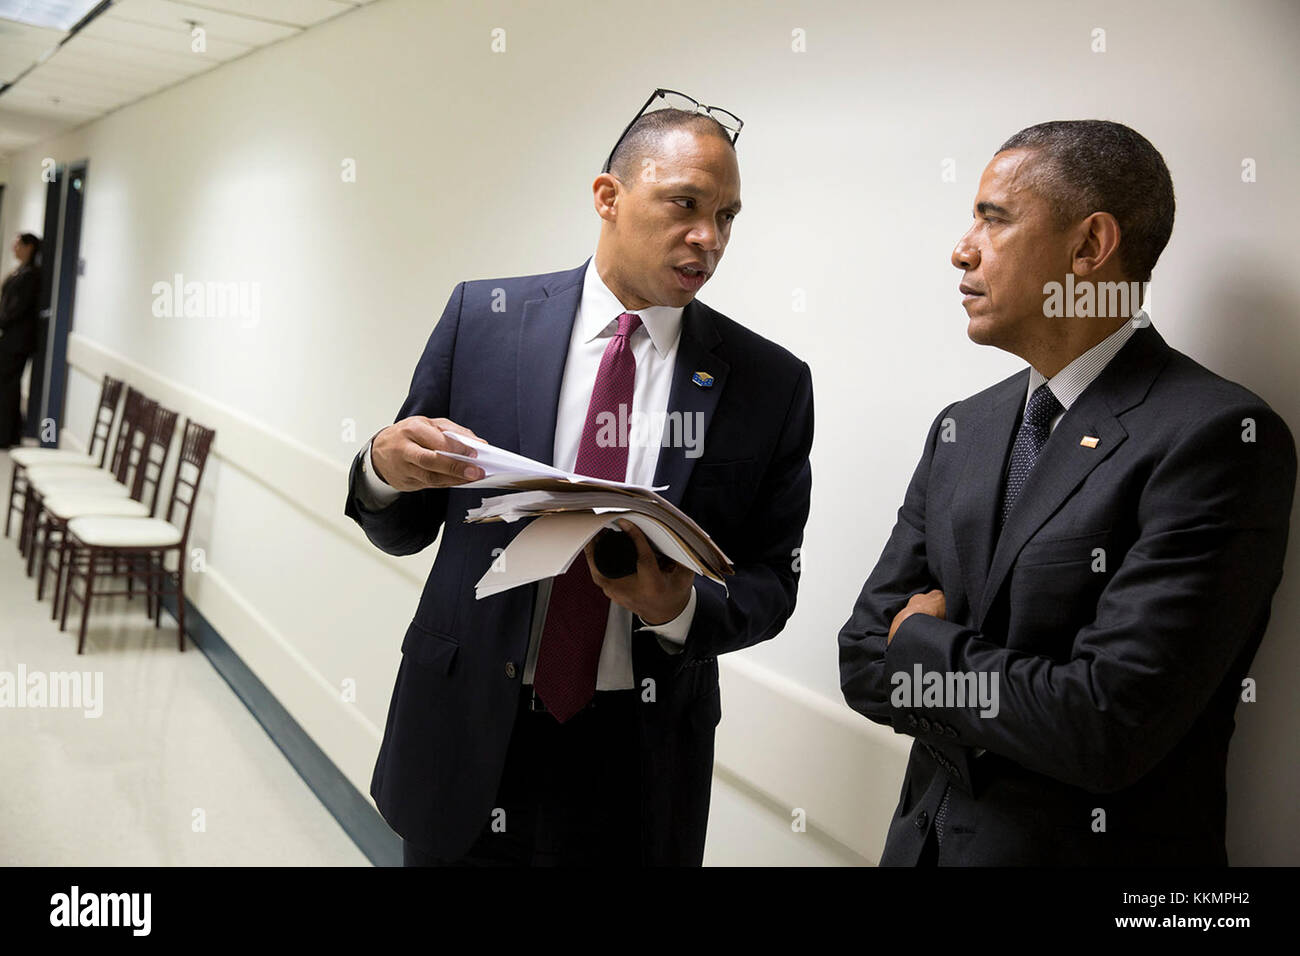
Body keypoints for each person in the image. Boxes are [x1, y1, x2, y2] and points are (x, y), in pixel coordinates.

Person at [344, 95, 814, 866]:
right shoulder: (484, 319)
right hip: (465, 731)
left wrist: (678, 609)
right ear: (608, 197)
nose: (709, 238)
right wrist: (384, 469)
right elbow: (404, 523)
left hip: (638, 755)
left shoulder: (769, 382)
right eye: (685, 204)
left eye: (728, 216)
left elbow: (771, 581)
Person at [839, 120, 1295, 865]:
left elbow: (1105, 725)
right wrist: (1002, 689)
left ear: (1088, 248)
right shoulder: (965, 426)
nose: (961, 248)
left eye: (993, 217)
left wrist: (919, 647)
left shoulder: (1218, 438)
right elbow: (861, 659)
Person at [0, 233, 42, 449]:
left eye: (18, 245)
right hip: (9, 338)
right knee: (8, 385)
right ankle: (10, 432)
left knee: (7, 385)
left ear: (29, 247)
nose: (13, 248)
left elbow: (17, 308)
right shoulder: (20, 272)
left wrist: (2, 320)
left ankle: (6, 435)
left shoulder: (31, 275)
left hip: (17, 341)